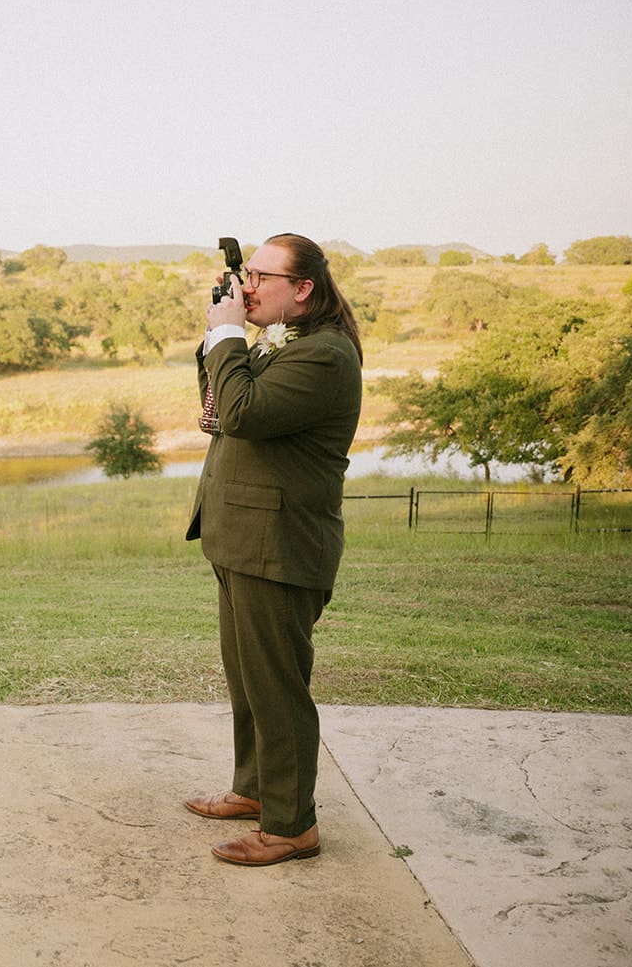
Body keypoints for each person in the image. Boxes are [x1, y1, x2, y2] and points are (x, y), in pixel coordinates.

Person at [184, 234, 363, 865]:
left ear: (304, 289)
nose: (248, 286)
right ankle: (257, 790)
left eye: (262, 276)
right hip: (241, 537)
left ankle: (292, 826)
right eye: (245, 275)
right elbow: (221, 404)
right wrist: (222, 336)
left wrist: (228, 336)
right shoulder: (279, 342)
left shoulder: (325, 355)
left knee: (278, 686)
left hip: (279, 544)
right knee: (248, 679)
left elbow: (243, 411)